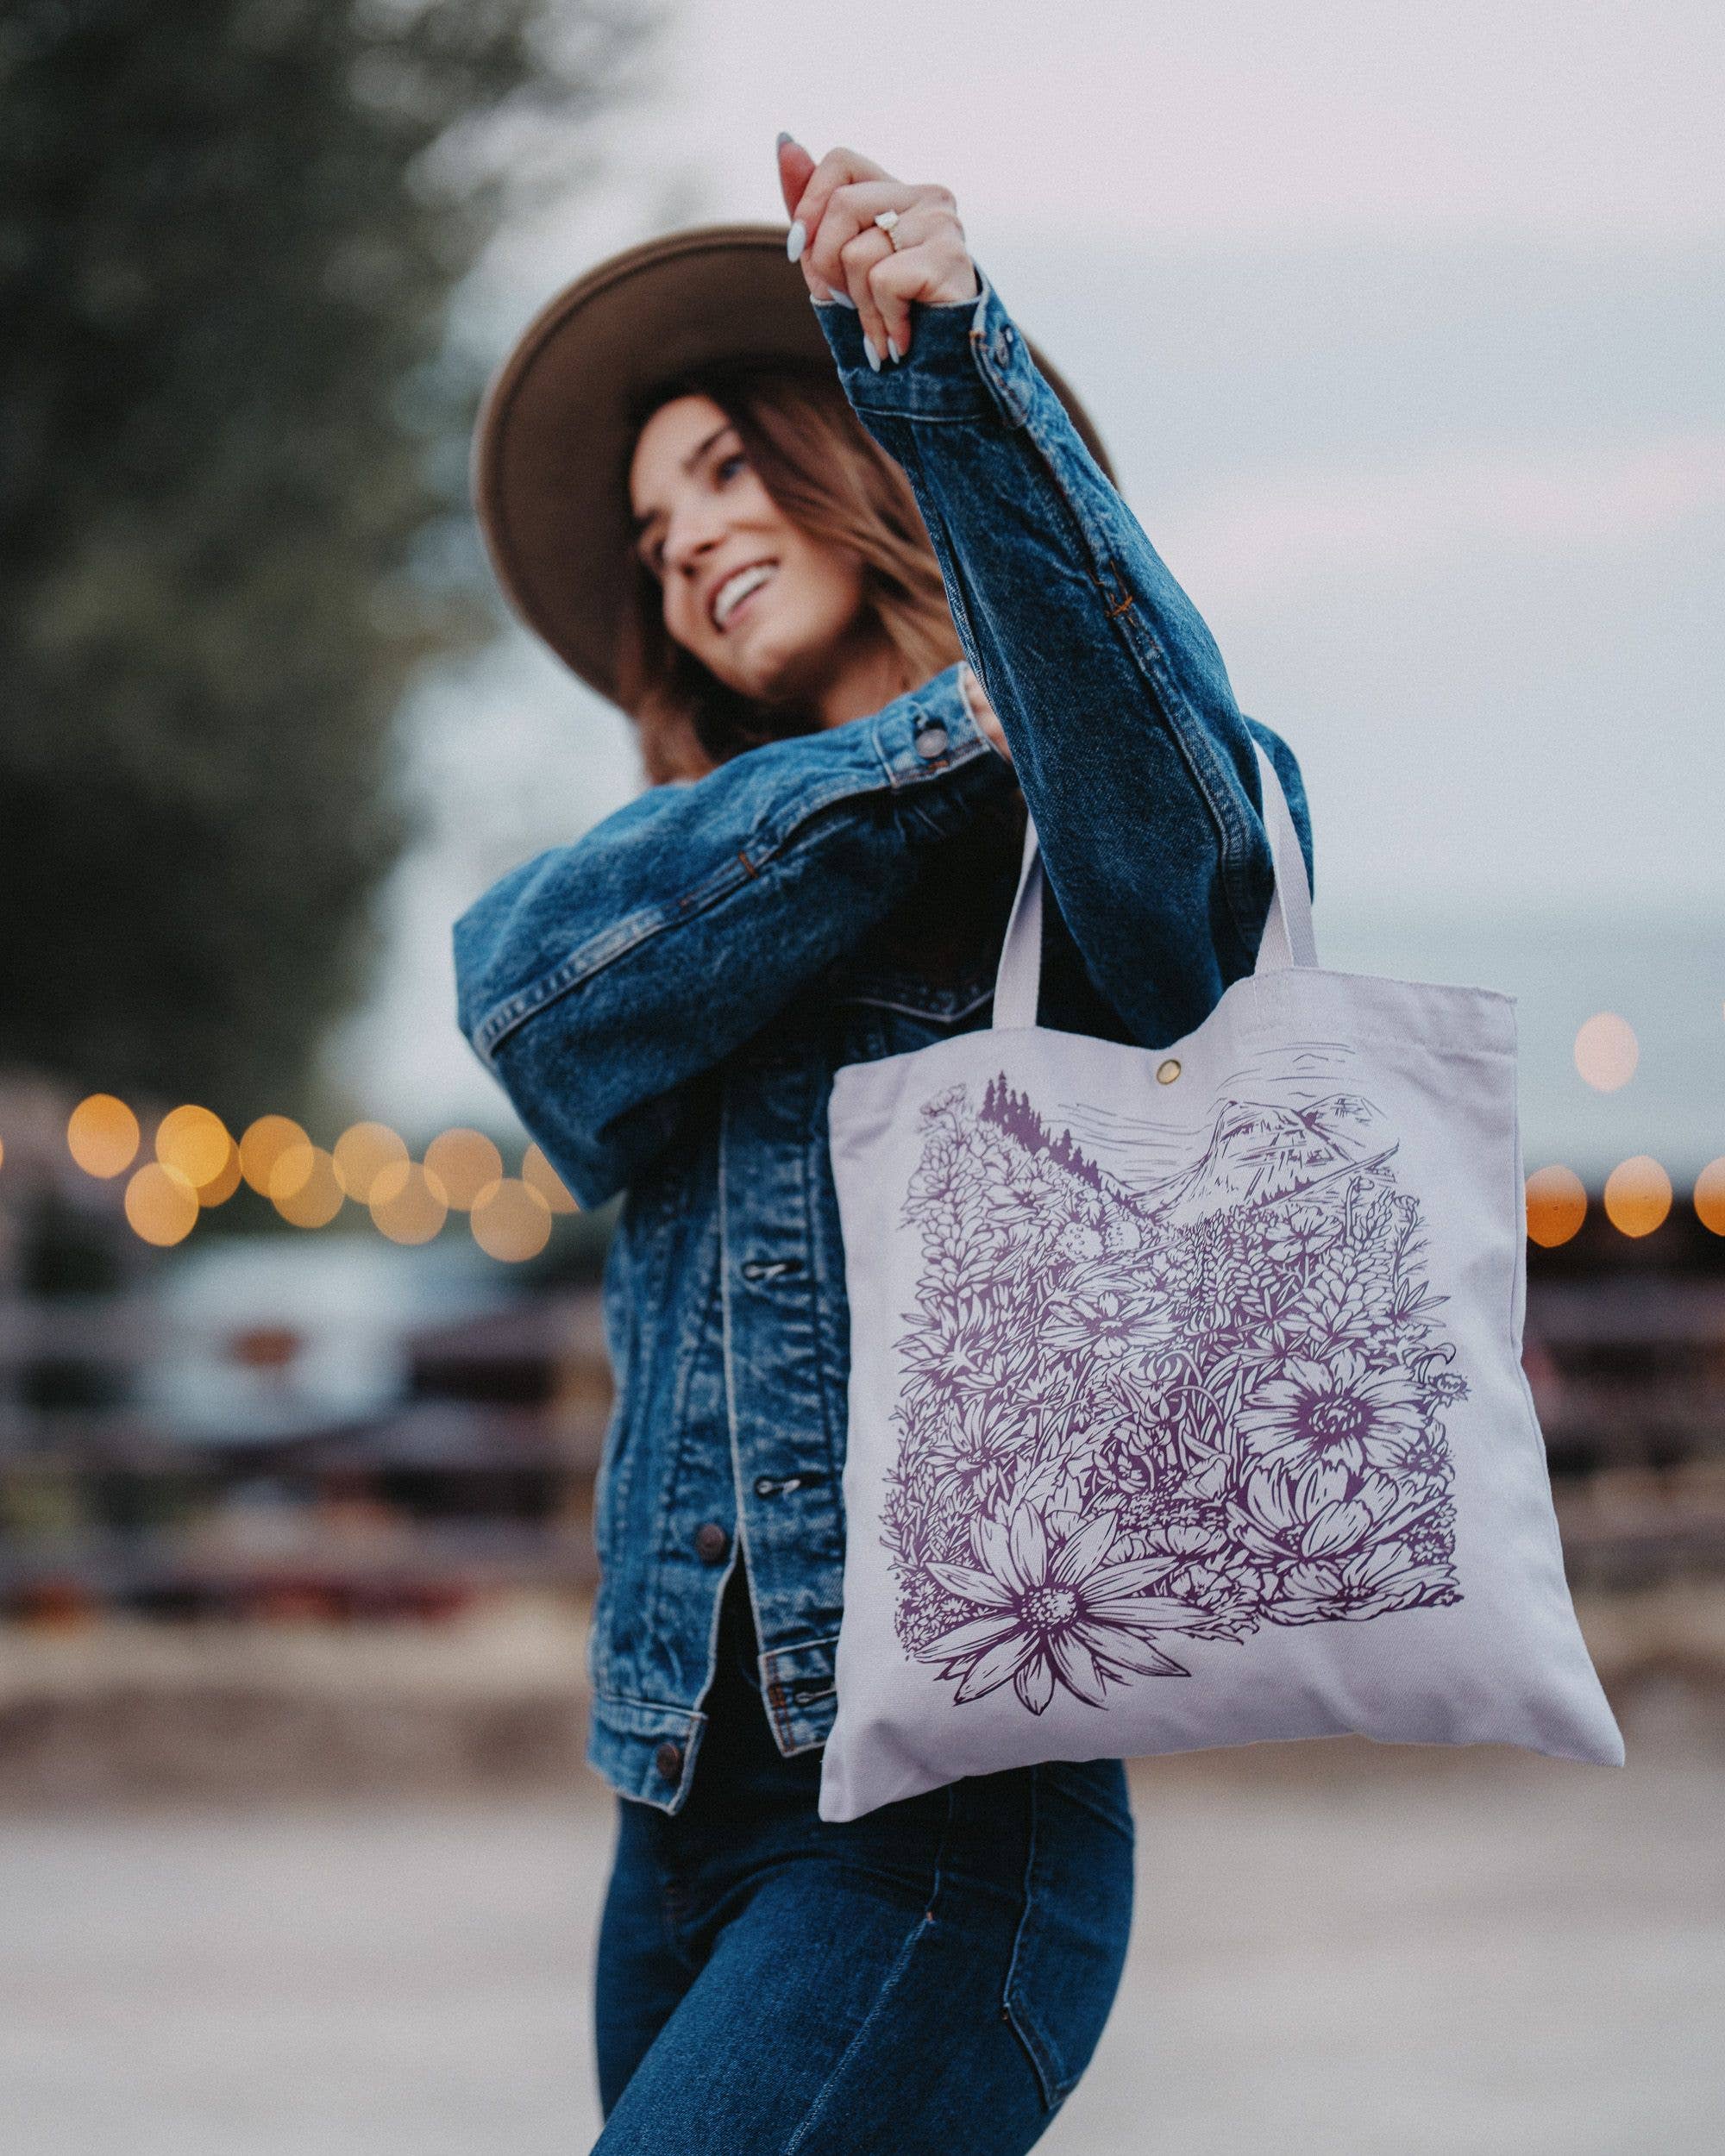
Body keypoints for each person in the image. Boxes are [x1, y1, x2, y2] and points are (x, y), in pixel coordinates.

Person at [455, 137, 1314, 2153]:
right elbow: (523, 995)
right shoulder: (692, 893)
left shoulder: (1075, 831)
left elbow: (1191, 876)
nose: (680, 540)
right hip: (668, 1817)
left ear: (844, 456)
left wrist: (952, 369)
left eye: (727, 467)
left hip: (941, 1832)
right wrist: (943, 742)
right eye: (652, 524)